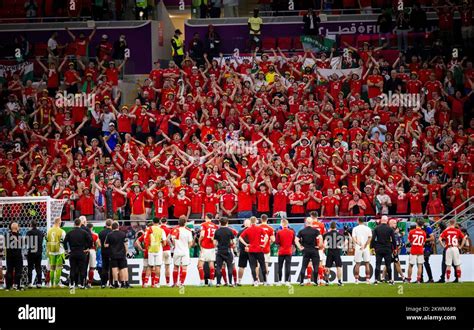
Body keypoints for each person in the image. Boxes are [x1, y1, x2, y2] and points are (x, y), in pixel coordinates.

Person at [239, 216, 269, 286]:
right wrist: (264, 244)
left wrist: (246, 244)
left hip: (251, 250)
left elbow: (240, 237)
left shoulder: (248, 230)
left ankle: (255, 281)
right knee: (262, 265)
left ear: (250, 221)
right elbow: (266, 237)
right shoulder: (260, 228)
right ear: (256, 221)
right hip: (259, 249)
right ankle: (265, 281)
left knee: (252, 266)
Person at [64, 218, 92, 289]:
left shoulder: (70, 232)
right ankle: (82, 285)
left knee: (73, 269)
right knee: (82, 269)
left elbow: (64, 242)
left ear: (74, 224)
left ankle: (72, 284)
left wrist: (67, 250)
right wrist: (88, 248)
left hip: (73, 253)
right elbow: (90, 240)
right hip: (81, 252)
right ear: (80, 224)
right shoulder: (84, 232)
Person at [295, 218, 323, 286]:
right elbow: (321, 238)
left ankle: (301, 282)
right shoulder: (315, 231)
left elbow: (296, 240)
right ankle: (315, 282)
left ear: (306, 222)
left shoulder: (302, 231)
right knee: (316, 266)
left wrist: (300, 247)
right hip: (314, 250)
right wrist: (319, 246)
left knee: (304, 266)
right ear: (312, 222)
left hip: (306, 250)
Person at [370, 215, 397, 285]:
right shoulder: (390, 229)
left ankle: (376, 280)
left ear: (381, 220)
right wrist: (395, 248)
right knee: (388, 265)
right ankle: (390, 280)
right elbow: (394, 240)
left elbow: (373, 239)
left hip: (378, 248)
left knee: (378, 264)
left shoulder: (376, 228)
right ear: (387, 220)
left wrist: (372, 247)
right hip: (388, 248)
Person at [104, 221, 130, 288]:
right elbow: (126, 244)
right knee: (123, 268)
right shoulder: (123, 234)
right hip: (122, 253)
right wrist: (126, 252)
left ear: (112, 227)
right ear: (118, 226)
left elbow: (105, 245)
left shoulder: (109, 235)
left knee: (114, 269)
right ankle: (124, 283)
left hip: (113, 254)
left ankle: (115, 283)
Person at [170, 215, 194, 287]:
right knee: (184, 267)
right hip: (185, 251)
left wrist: (175, 245)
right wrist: (187, 248)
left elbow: (172, 240)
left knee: (175, 267)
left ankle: (174, 283)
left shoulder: (175, 230)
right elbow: (190, 242)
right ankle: (181, 283)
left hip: (177, 250)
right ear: (185, 222)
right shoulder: (188, 231)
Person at [213, 217, 236, 287]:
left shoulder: (217, 231)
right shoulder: (230, 231)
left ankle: (218, 282)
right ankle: (230, 282)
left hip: (220, 251)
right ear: (227, 222)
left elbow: (214, 243)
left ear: (220, 223)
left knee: (219, 267)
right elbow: (233, 242)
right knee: (229, 266)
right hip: (228, 250)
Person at [145, 218, 167, 288]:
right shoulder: (161, 230)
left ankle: (145, 283)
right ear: (159, 222)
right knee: (158, 266)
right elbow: (165, 242)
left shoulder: (148, 229)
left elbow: (145, 239)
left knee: (150, 266)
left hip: (150, 249)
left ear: (152, 222)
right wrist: (160, 246)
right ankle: (156, 283)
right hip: (158, 249)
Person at [198, 213, 218, 286]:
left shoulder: (203, 224)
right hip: (212, 247)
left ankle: (202, 281)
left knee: (200, 265)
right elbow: (215, 238)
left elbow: (202, 235)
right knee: (211, 264)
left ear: (206, 217)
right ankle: (211, 281)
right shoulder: (215, 226)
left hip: (205, 246)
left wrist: (199, 241)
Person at [46, 217, 66, 288]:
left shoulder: (49, 231)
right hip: (60, 251)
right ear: (59, 222)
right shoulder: (62, 231)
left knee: (52, 268)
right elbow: (64, 242)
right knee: (59, 268)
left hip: (51, 252)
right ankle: (57, 283)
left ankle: (51, 283)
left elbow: (47, 241)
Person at [323, 221, 345, 286]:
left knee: (328, 266)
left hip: (329, 251)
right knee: (338, 266)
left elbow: (324, 244)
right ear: (336, 226)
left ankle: (327, 281)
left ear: (330, 227)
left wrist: (326, 247)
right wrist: (341, 247)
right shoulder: (340, 235)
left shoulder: (326, 234)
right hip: (337, 251)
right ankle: (339, 281)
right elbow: (345, 242)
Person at [351, 217, 372, 284]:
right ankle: (368, 279)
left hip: (358, 247)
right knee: (367, 263)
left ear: (358, 221)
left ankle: (356, 280)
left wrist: (358, 243)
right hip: (366, 248)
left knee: (357, 264)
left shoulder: (355, 228)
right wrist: (365, 245)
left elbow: (353, 238)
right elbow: (370, 238)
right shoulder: (368, 228)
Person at [275, 218, 294, 286]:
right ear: (287, 224)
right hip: (288, 251)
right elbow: (293, 241)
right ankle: (287, 281)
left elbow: (276, 242)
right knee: (288, 266)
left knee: (280, 266)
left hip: (281, 251)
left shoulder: (279, 232)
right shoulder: (291, 232)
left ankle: (279, 281)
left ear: (282, 224)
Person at [5, 222, 24, 291]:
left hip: (9, 256)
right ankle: (17, 286)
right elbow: (21, 245)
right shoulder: (20, 235)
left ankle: (8, 286)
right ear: (17, 228)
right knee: (18, 271)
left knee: (9, 270)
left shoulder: (6, 235)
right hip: (17, 256)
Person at [26, 220, 44, 288]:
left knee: (30, 268)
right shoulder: (40, 232)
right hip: (39, 252)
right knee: (38, 267)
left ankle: (30, 283)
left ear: (31, 225)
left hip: (31, 251)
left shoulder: (29, 232)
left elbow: (27, 242)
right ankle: (39, 283)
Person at [259, 214, 275, 279]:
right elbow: (273, 239)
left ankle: (255, 280)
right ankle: (266, 280)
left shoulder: (258, 227)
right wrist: (268, 243)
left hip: (258, 248)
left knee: (257, 265)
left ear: (260, 219)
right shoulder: (270, 228)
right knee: (266, 264)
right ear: (267, 219)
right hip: (266, 249)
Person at [98, 219, 113, 288]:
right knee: (112, 268)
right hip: (112, 252)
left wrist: (102, 247)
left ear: (106, 224)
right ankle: (111, 283)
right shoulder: (113, 232)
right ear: (111, 224)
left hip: (104, 252)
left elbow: (98, 243)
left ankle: (103, 283)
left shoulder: (101, 232)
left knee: (104, 267)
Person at [86, 223, 101, 288]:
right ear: (92, 227)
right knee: (91, 268)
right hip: (92, 251)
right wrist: (96, 248)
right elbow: (99, 245)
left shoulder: (84, 234)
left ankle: (83, 283)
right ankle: (89, 284)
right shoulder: (95, 235)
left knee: (84, 268)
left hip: (85, 251)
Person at [237, 218, 250, 286]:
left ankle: (239, 281)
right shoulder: (253, 230)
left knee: (241, 266)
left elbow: (238, 241)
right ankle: (256, 280)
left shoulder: (241, 231)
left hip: (243, 250)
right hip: (252, 250)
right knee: (255, 266)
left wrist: (238, 250)